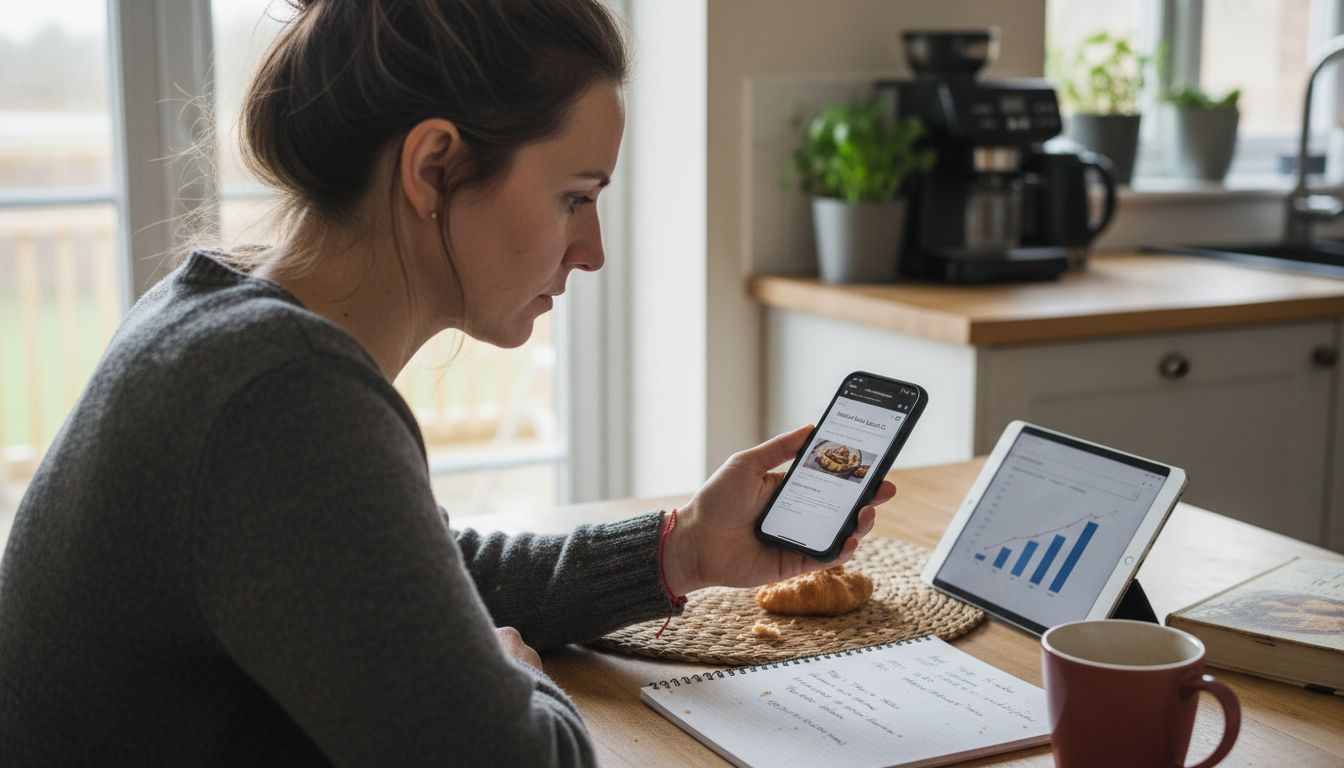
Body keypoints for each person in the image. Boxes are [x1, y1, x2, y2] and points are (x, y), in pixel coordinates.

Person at [0, 0, 892, 764]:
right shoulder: (280, 395)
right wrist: (514, 674)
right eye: (575, 196)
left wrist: (683, 547)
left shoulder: (214, 314)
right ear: (434, 168)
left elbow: (406, 575)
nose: (594, 251)